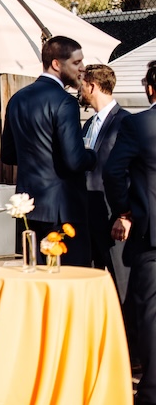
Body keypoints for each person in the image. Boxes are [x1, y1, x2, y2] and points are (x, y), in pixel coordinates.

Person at [2, 36, 96, 266]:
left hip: (29, 207)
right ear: (56, 64)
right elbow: (74, 161)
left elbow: (8, 155)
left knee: (38, 278)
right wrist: (93, 154)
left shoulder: (17, 99)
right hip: (63, 211)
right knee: (69, 280)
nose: (82, 68)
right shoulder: (64, 102)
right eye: (76, 63)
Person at [104, 61, 156, 403]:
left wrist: (125, 211)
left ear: (150, 88)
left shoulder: (139, 124)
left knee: (151, 311)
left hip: (151, 235)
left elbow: (113, 171)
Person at [80, 64, 129, 294]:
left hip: (112, 218)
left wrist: (124, 215)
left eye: (82, 85)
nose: (80, 91)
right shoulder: (89, 124)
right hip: (87, 216)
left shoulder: (125, 123)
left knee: (121, 286)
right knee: (90, 285)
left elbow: (131, 173)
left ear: (92, 86)